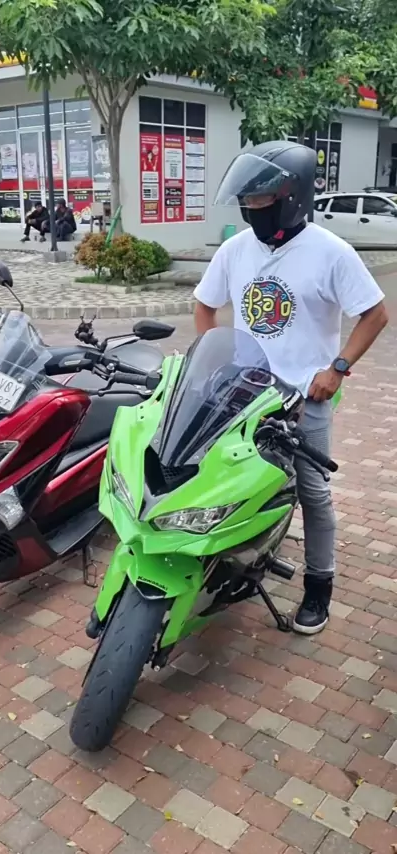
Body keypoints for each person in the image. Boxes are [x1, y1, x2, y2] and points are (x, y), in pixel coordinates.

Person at [194, 140, 388, 635]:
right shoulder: (235, 250)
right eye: (247, 200)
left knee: (314, 493)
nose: (252, 209)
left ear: (293, 196)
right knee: (225, 481)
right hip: (244, 393)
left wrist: (337, 368)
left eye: (262, 199)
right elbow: (204, 307)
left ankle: (319, 584)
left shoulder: (332, 253)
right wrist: (213, 361)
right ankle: (229, 563)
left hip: (305, 397)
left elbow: (375, 314)